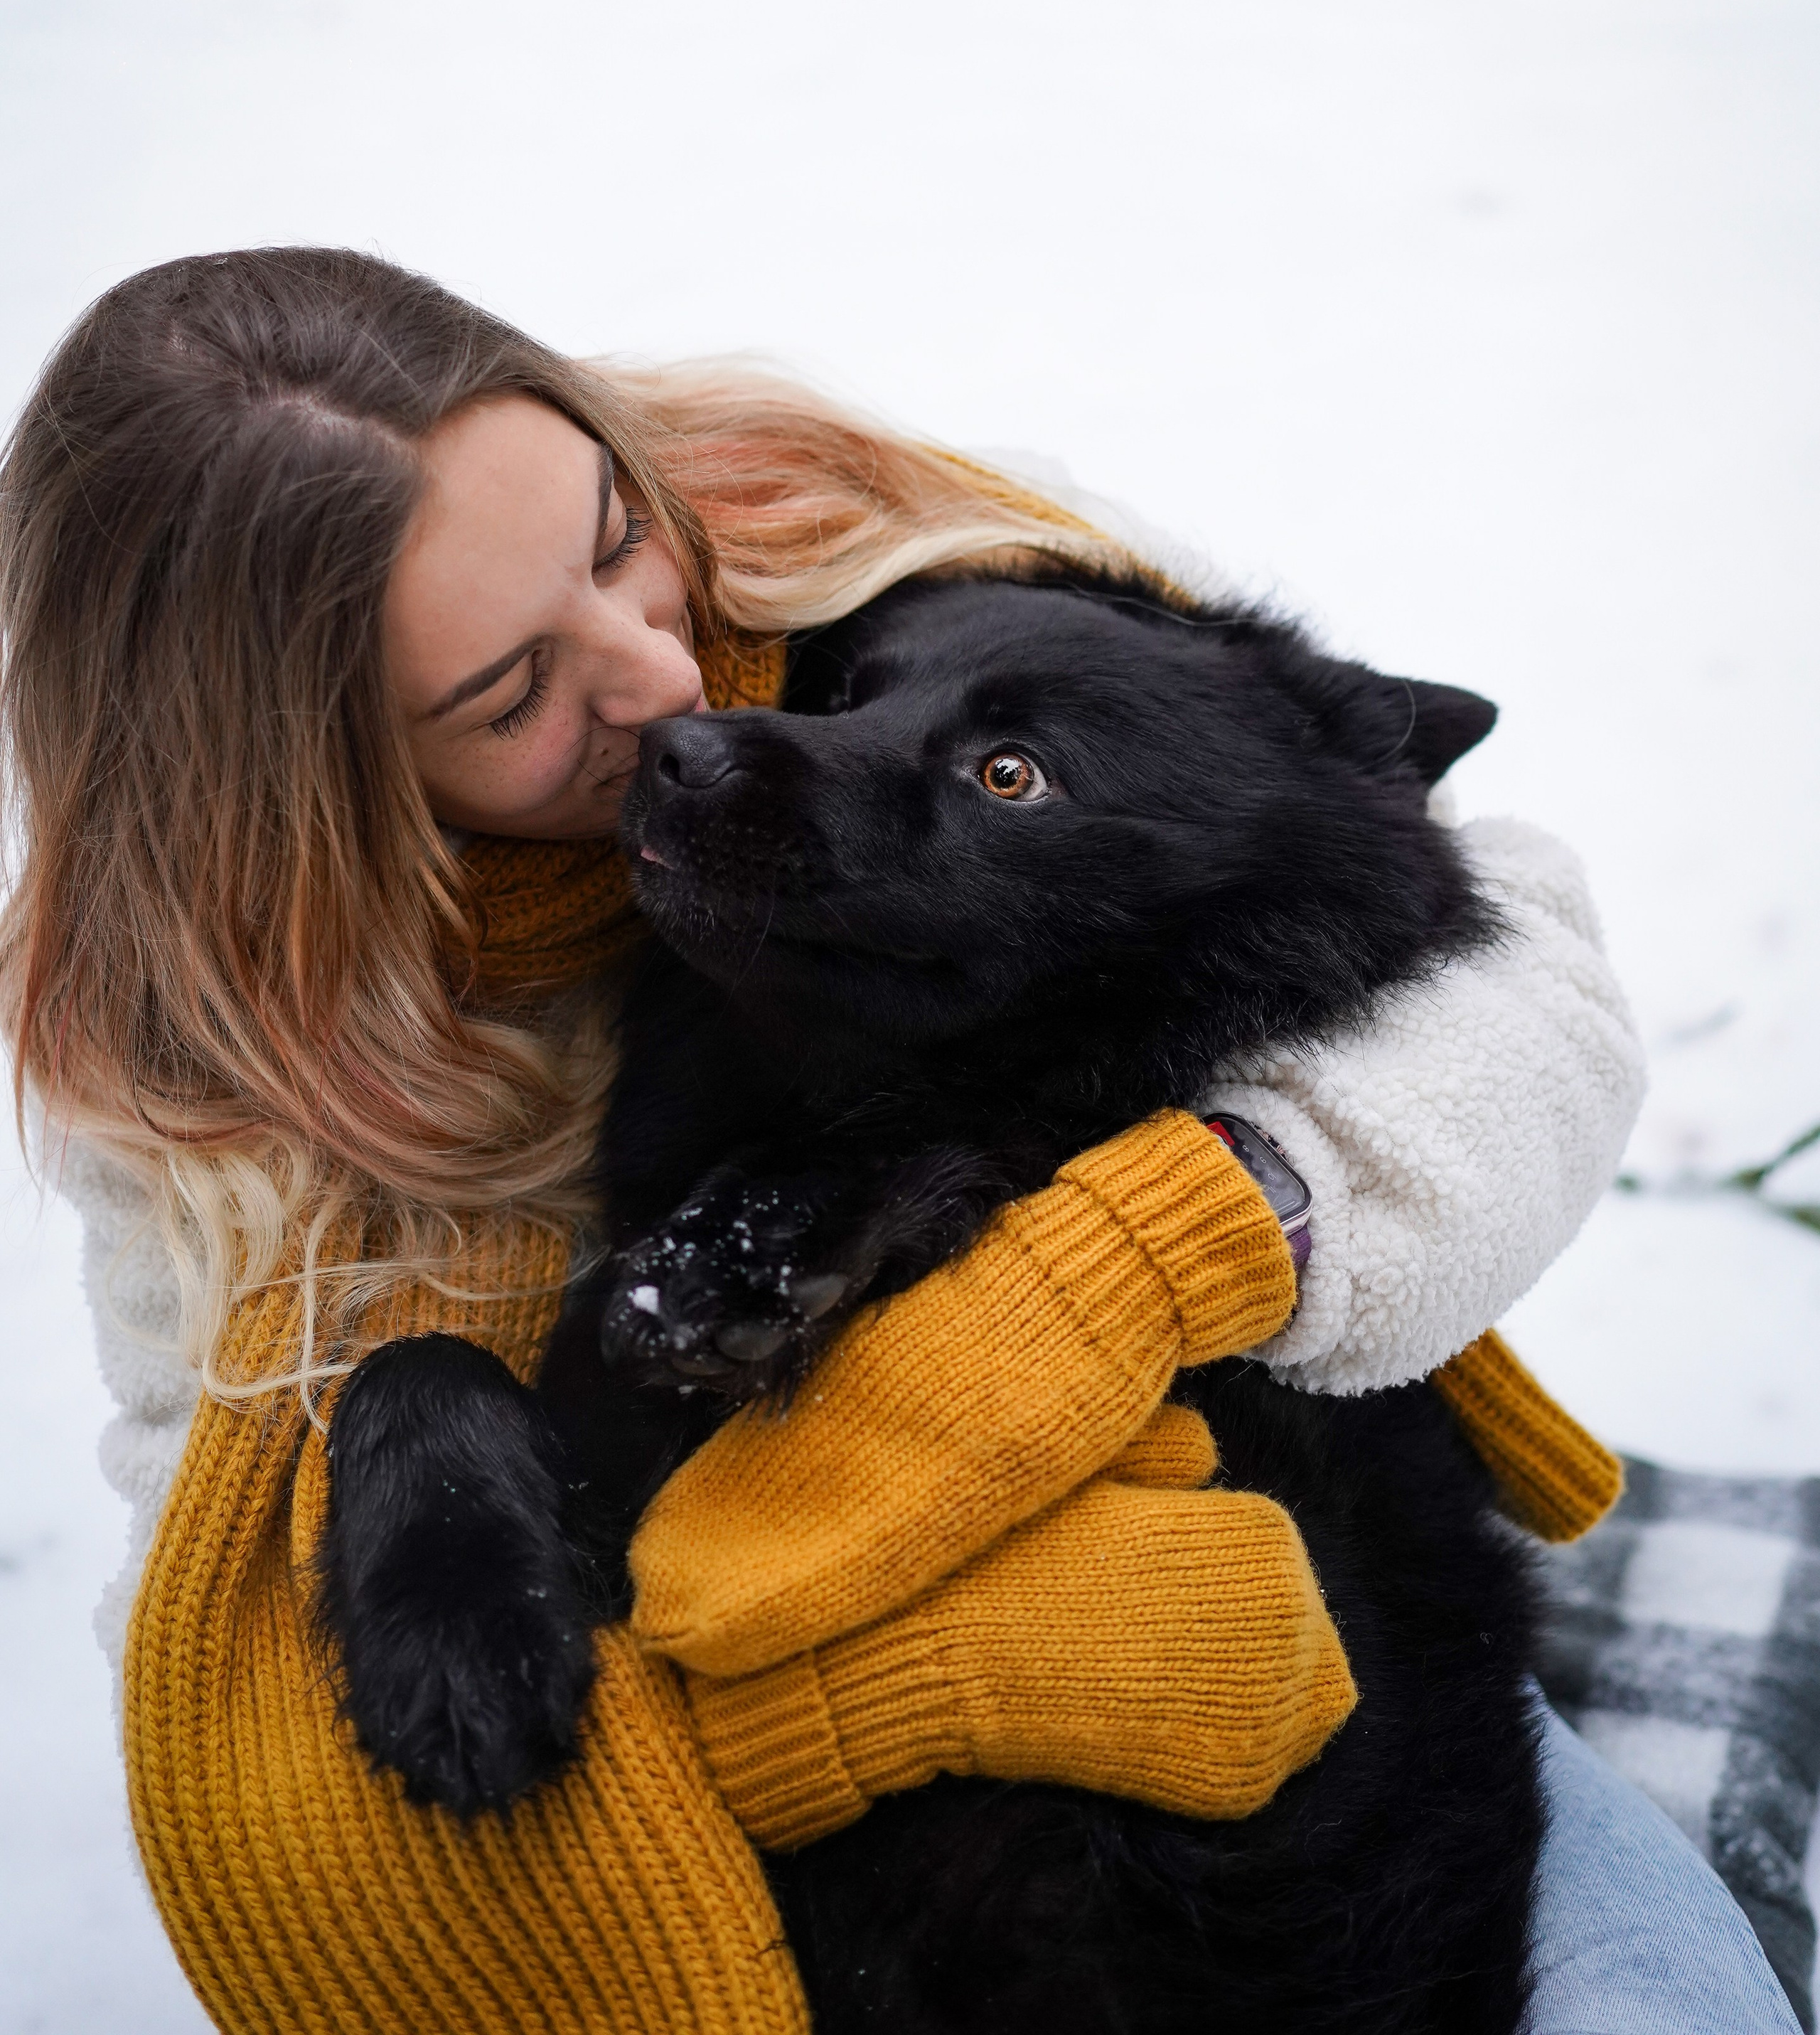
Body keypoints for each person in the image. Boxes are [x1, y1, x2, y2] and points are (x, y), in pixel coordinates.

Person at [4, 247, 1795, 2035]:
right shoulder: (200, 1069)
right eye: (506, 693)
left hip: (1327, 1675)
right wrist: (836, 1709)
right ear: (296, 786)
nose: (664, 677)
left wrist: (1169, 1238)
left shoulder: (874, 550)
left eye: (616, 531)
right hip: (732, 1718)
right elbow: (221, 1595)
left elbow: (1510, 971)